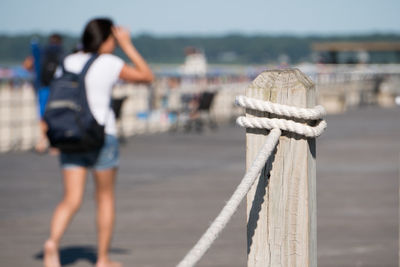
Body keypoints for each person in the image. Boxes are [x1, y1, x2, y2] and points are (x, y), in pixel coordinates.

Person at [43, 18, 154, 267]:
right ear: (107, 39)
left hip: (70, 135)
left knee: (71, 198)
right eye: (113, 39)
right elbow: (147, 77)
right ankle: (102, 259)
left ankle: (52, 242)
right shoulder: (110, 62)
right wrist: (127, 45)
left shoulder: (69, 60)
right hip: (101, 136)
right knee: (104, 198)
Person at [23, 34, 64, 153]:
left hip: (42, 87)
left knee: (43, 115)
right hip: (57, 88)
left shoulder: (42, 52)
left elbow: (27, 65)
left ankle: (42, 141)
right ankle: (55, 144)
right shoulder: (62, 53)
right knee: (57, 114)